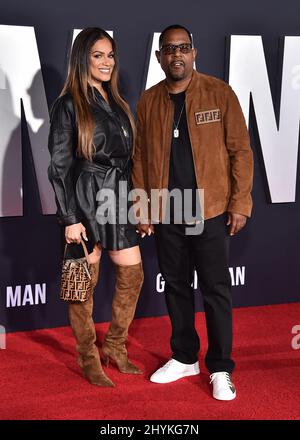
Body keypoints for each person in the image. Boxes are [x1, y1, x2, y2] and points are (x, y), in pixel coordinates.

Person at [132, 24, 253, 400]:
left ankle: (219, 366)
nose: (177, 55)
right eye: (169, 49)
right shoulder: (148, 101)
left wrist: (240, 203)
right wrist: (144, 208)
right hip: (168, 213)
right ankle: (185, 356)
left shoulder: (220, 92)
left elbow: (241, 152)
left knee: (216, 290)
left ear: (194, 52)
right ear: (159, 57)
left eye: (183, 48)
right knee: (177, 288)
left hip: (212, 210)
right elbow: (139, 159)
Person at [48, 27, 144, 387]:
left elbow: (130, 159)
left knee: (133, 274)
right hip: (86, 195)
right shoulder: (69, 104)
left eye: (110, 55)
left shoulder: (117, 102)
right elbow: (58, 167)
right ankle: (88, 357)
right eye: (98, 56)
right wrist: (70, 219)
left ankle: (115, 347)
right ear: (82, 59)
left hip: (119, 195)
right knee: (81, 284)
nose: (107, 62)